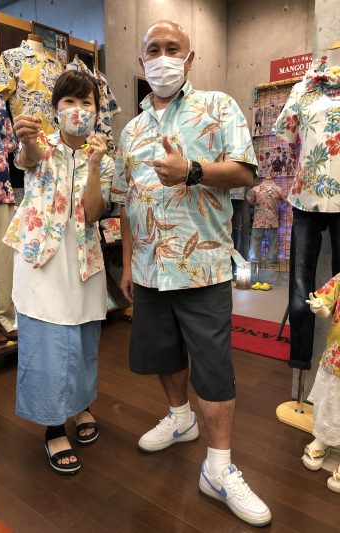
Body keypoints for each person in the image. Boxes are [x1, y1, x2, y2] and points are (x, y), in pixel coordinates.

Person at [112, 20, 271, 527]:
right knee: (163, 354)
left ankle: (218, 468)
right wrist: (128, 264)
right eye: (153, 50)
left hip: (202, 265)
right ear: (141, 61)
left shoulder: (219, 107)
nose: (162, 57)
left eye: (172, 48)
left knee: (214, 367)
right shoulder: (131, 131)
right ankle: (180, 418)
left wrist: (192, 171)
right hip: (148, 268)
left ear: (190, 56)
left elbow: (246, 172)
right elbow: (126, 201)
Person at [3, 70, 114, 474]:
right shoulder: (41, 145)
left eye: (87, 103)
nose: (78, 110)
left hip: (84, 258)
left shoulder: (104, 156)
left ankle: (81, 404)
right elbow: (27, 159)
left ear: (97, 112)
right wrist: (27, 140)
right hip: (42, 258)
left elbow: (94, 212)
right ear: (55, 109)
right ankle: (53, 426)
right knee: (47, 340)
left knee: (83, 337)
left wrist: (95, 164)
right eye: (69, 102)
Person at [304, 277, 340, 493]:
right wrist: (319, 308)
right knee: (329, 401)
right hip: (336, 355)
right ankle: (324, 437)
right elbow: (324, 307)